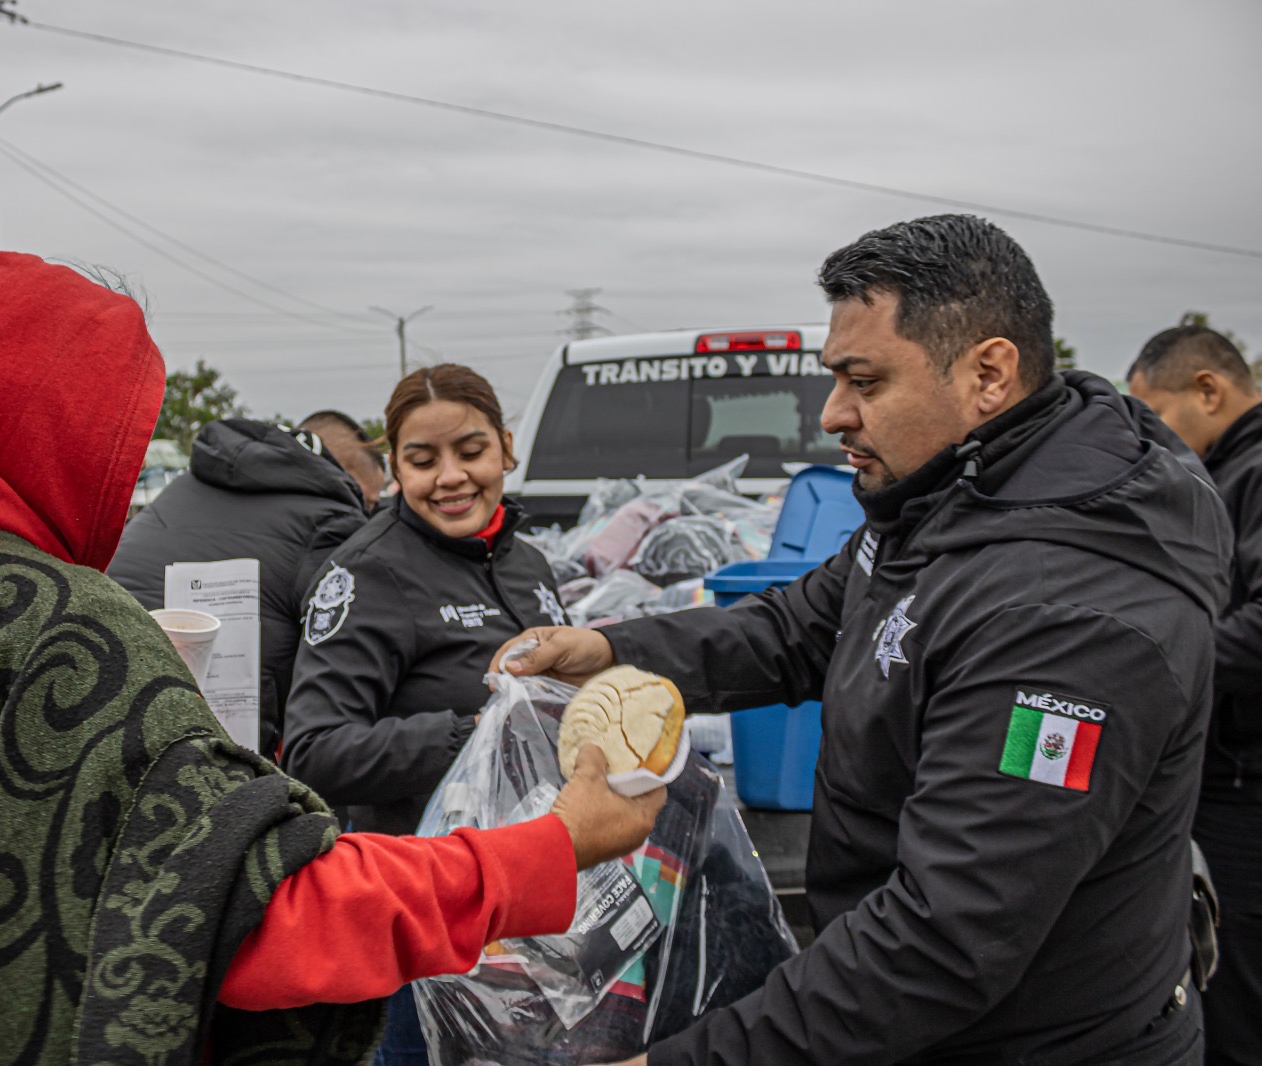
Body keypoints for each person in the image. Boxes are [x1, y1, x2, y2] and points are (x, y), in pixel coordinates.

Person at [0, 251, 663, 1064]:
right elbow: (263, 910)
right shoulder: (63, 628)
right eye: (120, 427)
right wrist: (551, 845)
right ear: (65, 426)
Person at [496, 215, 1232, 1064]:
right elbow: (801, 623)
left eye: (864, 381)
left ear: (989, 373)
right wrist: (610, 651)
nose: (834, 414)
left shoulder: (1070, 617)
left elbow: (946, 937)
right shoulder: (953, 494)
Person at [281, 362, 572, 1064]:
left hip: (532, 902)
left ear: (506, 447)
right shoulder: (366, 573)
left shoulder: (528, 561)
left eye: (470, 452)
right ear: (395, 467)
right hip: (426, 916)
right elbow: (315, 751)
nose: (451, 477)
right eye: (422, 459)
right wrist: (475, 737)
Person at [1128, 325, 1262, 1066]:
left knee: (1237, 993)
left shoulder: (1254, 472)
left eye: (1159, 420)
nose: (1155, 444)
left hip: (1246, 789)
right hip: (1229, 771)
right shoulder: (1229, 472)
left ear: (1208, 390)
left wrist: (1152, 660)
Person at [108, 411, 380, 757]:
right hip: (222, 737)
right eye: (369, 501)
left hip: (108, 679)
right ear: (346, 474)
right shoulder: (335, 517)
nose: (368, 518)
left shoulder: (184, 486)